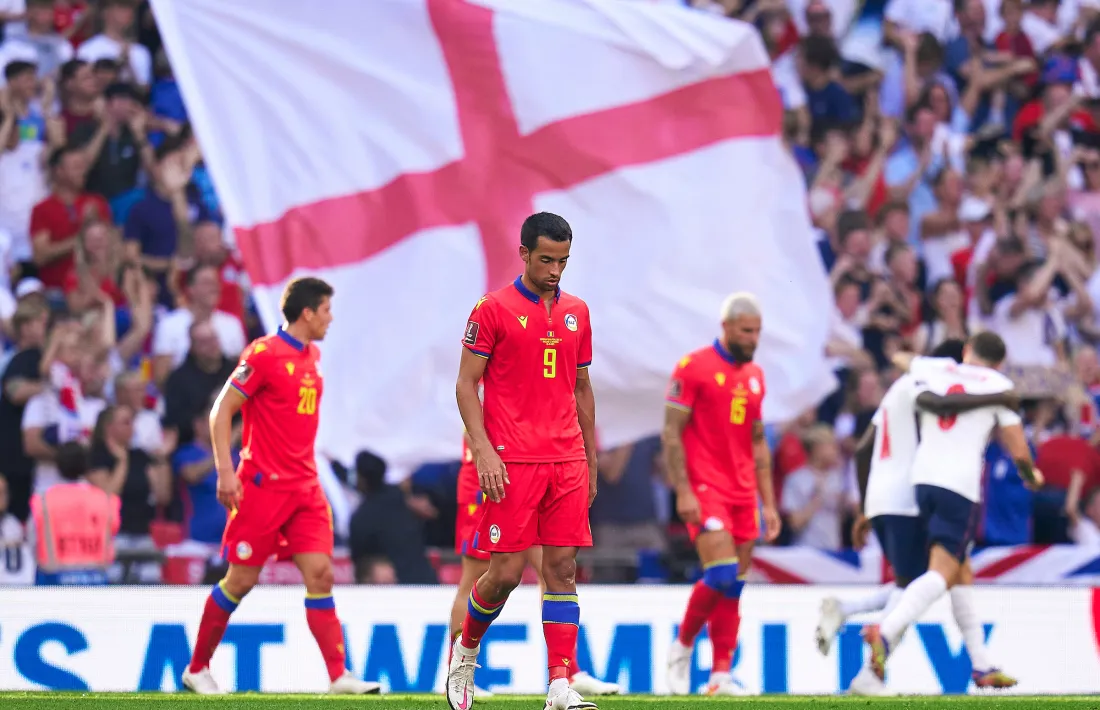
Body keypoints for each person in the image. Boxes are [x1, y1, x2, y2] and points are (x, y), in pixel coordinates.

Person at [180, 276, 380, 696]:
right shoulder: (265, 354)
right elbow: (222, 412)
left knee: (321, 574)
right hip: (263, 487)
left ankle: (339, 676)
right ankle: (197, 668)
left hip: (305, 488)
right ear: (307, 313)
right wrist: (225, 470)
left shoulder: (313, 356)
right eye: (326, 309)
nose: (331, 318)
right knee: (240, 580)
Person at [446, 212, 598, 710]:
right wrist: (485, 450)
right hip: (513, 462)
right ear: (525, 254)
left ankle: (559, 683)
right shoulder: (491, 309)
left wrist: (590, 460)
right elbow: (466, 385)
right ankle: (465, 652)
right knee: (506, 574)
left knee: (563, 569)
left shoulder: (577, 310)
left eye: (563, 261)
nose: (556, 270)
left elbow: (581, 387)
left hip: (566, 459)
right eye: (547, 260)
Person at [816, 338, 1020, 695]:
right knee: (926, 581)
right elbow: (940, 405)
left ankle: (981, 662)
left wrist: (866, 506)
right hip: (910, 495)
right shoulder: (926, 387)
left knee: (952, 571)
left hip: (884, 495)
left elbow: (865, 447)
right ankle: (868, 668)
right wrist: (996, 397)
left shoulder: (897, 388)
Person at [862, 332, 1043, 681]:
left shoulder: (939, 369)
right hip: (960, 486)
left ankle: (981, 663)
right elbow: (1019, 449)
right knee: (942, 572)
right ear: (1000, 362)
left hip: (924, 481)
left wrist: (914, 360)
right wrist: (1031, 475)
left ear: (966, 352)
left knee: (961, 570)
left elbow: (901, 357)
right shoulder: (999, 384)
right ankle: (886, 629)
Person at [663, 292, 782, 697]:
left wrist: (769, 502)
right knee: (721, 573)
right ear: (727, 327)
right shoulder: (693, 368)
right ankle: (681, 647)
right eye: (747, 331)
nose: (753, 338)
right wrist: (682, 490)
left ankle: (720, 676)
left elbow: (758, 441)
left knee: (735, 585)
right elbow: (671, 433)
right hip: (705, 487)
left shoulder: (755, 376)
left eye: (758, 332)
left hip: (744, 492)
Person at [447, 435, 620, 700]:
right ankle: (456, 666)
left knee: (553, 570)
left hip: (533, 473)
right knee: (481, 574)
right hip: (490, 479)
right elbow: (473, 422)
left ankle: (567, 672)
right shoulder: (485, 391)